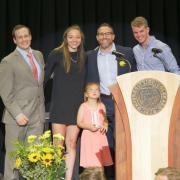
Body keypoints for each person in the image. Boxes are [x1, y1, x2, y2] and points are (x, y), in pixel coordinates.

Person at [86, 23, 137, 180]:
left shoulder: (126, 52)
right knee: (105, 142)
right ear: (97, 38)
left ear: (113, 36)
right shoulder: (90, 55)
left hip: (123, 103)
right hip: (103, 103)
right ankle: (107, 176)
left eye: (107, 34)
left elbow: (135, 74)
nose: (104, 37)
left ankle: (125, 174)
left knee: (124, 140)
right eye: (101, 34)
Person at [0, 25, 45, 180]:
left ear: (30, 37)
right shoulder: (8, 62)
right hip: (17, 118)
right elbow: (5, 94)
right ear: (14, 40)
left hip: (38, 116)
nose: (24, 39)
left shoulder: (38, 55)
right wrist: (17, 114)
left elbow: (37, 83)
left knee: (35, 158)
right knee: (13, 159)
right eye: (20, 37)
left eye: (26, 36)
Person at [44, 25, 86, 180]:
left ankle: (68, 178)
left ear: (81, 39)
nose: (74, 40)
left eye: (77, 37)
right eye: (71, 37)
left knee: (72, 144)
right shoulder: (56, 54)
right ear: (65, 38)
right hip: (60, 106)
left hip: (76, 107)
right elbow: (44, 78)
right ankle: (55, 177)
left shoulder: (84, 56)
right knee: (57, 146)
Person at [77, 82, 113, 169]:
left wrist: (105, 124)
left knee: (100, 162)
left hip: (100, 136)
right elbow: (79, 122)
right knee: (90, 161)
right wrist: (88, 126)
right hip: (88, 136)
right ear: (86, 94)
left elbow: (105, 119)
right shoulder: (83, 106)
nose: (94, 91)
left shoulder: (101, 105)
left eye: (97, 89)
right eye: (91, 89)